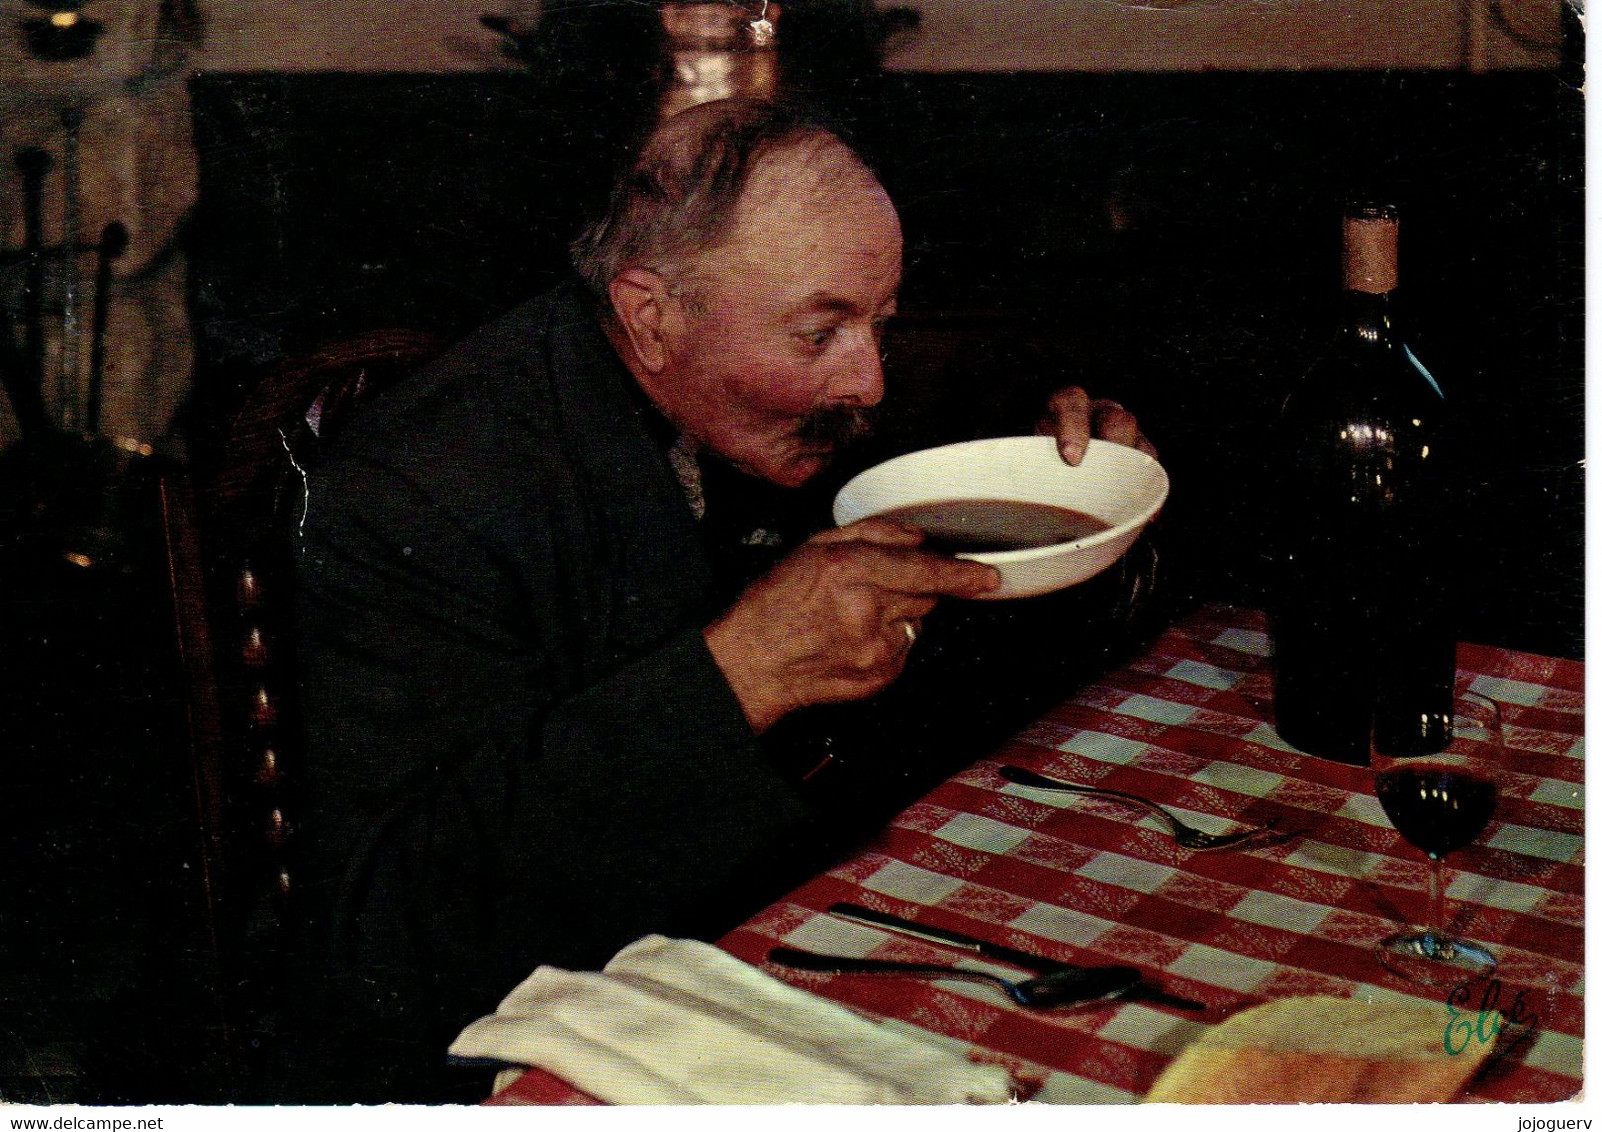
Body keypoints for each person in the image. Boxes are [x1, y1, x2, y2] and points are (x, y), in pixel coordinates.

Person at [284, 99, 1154, 1102]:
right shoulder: (424, 488)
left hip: (798, 943)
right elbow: (395, 934)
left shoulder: (763, 388)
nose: (868, 378)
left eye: (882, 320)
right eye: (823, 331)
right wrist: (738, 675)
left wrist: (1072, 487)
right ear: (652, 314)